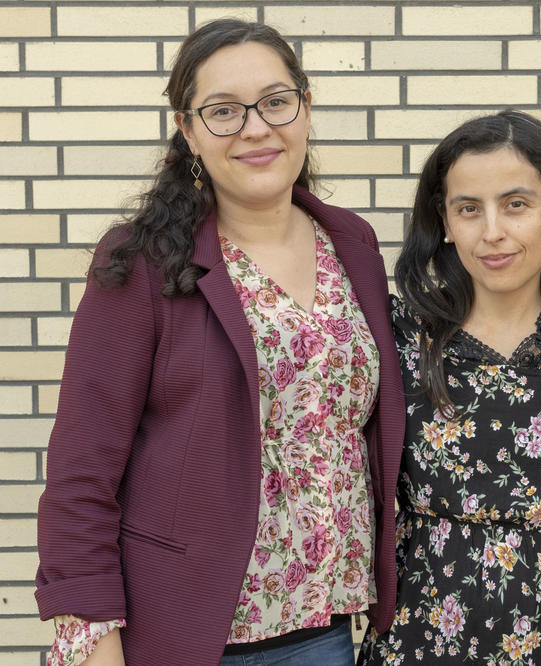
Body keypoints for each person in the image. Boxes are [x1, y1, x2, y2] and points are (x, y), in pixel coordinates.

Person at [34, 19, 404, 665]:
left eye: (275, 102)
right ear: (188, 130)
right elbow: (80, 470)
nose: (256, 128)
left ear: (305, 108)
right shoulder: (143, 261)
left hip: (324, 630)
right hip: (186, 631)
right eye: (224, 111)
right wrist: (91, 638)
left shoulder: (354, 247)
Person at [357, 110, 541, 664]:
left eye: (516, 204)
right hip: (423, 624)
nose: (492, 232)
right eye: (468, 209)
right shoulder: (401, 331)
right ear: (445, 220)